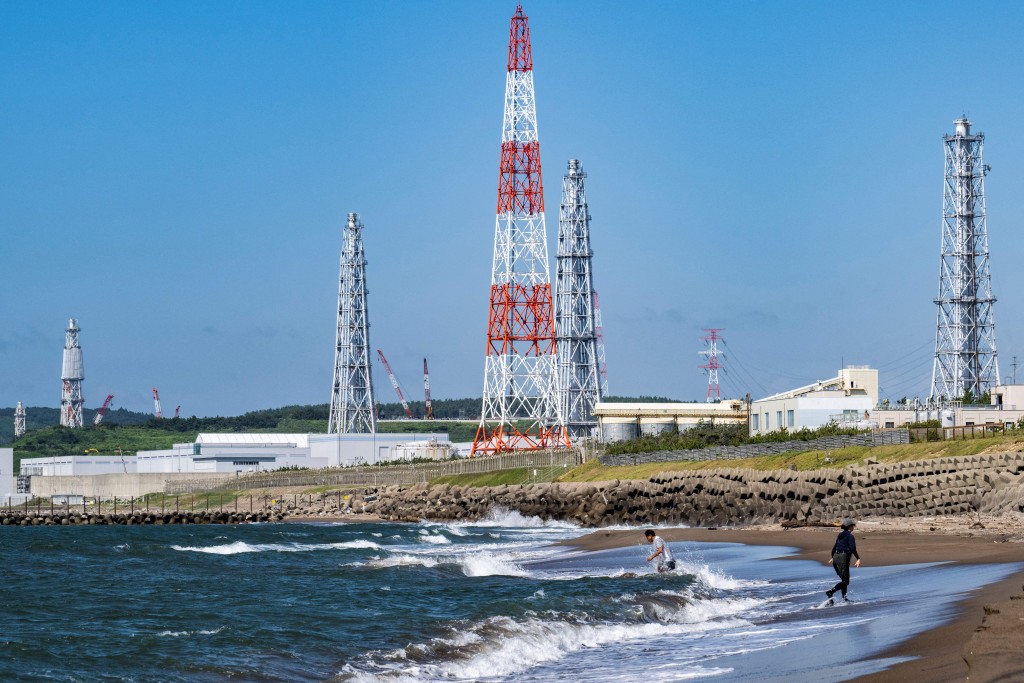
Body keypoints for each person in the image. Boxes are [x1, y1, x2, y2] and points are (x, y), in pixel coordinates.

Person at [826, 518, 861, 604]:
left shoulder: (840, 535)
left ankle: (844, 599)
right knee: (846, 581)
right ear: (850, 527)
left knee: (844, 580)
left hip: (836, 557)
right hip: (842, 558)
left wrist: (833, 557)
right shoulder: (850, 536)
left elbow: (834, 548)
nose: (854, 526)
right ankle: (831, 592)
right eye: (853, 525)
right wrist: (858, 558)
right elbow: (853, 548)